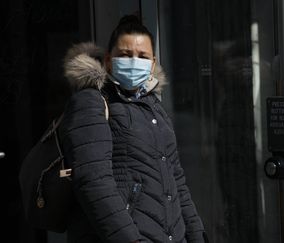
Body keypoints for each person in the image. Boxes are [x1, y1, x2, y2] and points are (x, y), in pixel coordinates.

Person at [59, 15, 207, 243]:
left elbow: (176, 180)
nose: (134, 61)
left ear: (153, 63)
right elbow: (94, 182)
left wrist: (196, 235)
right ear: (109, 60)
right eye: (125, 55)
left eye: (142, 56)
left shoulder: (153, 107)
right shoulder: (91, 101)